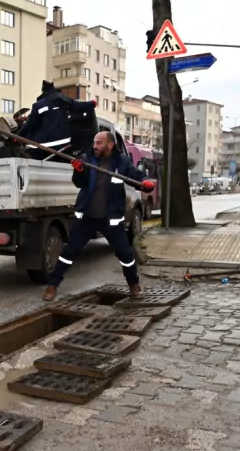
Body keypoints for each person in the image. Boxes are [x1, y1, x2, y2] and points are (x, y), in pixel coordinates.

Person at [42, 131, 155, 302]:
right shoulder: (87, 159)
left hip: (111, 220)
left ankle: (134, 285)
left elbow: (136, 176)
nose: (95, 146)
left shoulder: (121, 162)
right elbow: (79, 183)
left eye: (99, 143)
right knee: (69, 252)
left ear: (110, 145)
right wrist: (79, 171)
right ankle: (52, 286)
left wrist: (146, 182)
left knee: (126, 254)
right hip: (87, 218)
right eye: (94, 142)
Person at [17, 80, 98, 160]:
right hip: (63, 145)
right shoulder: (62, 99)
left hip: (44, 147)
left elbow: (30, 125)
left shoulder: (38, 106)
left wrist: (18, 135)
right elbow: (77, 105)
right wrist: (92, 103)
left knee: (29, 147)